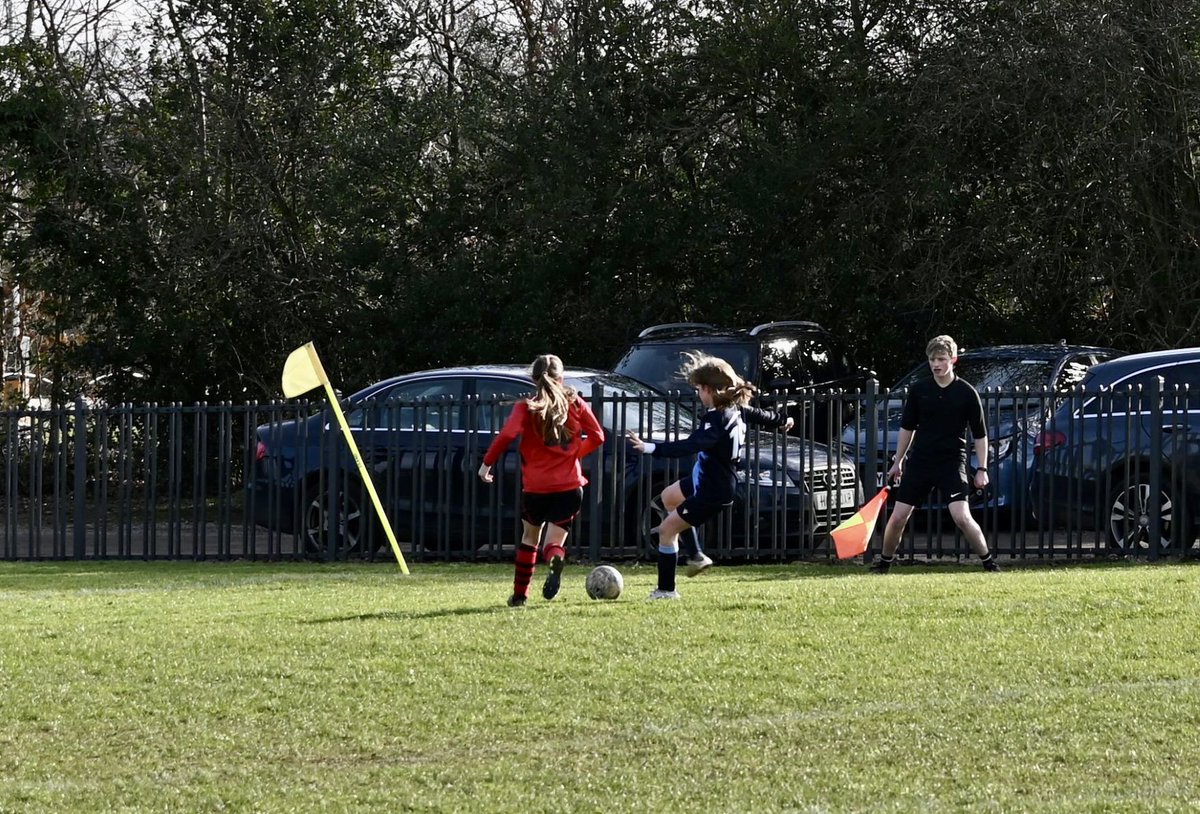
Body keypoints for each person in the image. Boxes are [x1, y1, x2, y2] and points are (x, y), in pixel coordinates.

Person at [627, 351, 791, 599]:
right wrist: (781, 420)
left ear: (710, 390)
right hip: (704, 482)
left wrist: (650, 447)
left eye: (700, 389)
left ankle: (666, 590)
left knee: (666, 531)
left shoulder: (716, 419)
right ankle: (696, 555)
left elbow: (690, 445)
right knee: (669, 497)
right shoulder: (737, 410)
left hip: (711, 491)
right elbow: (760, 415)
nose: (698, 394)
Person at [478, 355, 605, 606]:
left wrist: (486, 464)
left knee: (529, 538)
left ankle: (520, 595)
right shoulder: (575, 403)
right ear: (562, 377)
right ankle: (555, 557)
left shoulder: (527, 407)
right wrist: (573, 455)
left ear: (534, 380)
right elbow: (598, 436)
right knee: (554, 542)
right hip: (570, 486)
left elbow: (507, 434)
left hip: (536, 488)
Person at [871, 335, 999, 573]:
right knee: (898, 517)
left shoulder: (966, 392)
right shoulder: (920, 390)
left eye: (941, 359)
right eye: (932, 359)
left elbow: (980, 435)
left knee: (961, 516)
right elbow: (907, 429)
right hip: (921, 461)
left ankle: (988, 562)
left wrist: (982, 469)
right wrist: (897, 462)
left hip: (951, 462)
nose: (936, 364)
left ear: (953, 359)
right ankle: (884, 564)